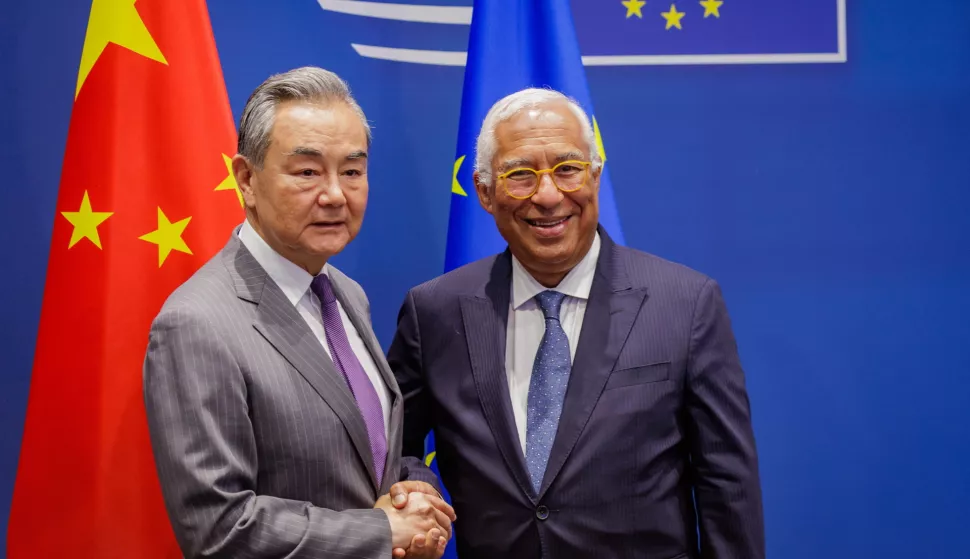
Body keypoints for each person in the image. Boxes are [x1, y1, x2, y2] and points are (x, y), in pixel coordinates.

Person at [388, 87, 765, 558]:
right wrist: (418, 484)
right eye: (520, 175)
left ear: (595, 176)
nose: (548, 195)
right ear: (484, 192)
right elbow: (388, 446)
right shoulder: (434, 311)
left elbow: (727, 484)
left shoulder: (686, 304)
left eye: (567, 169)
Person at [143, 66, 454, 559]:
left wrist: (412, 490)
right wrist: (380, 532)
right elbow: (218, 529)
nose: (335, 194)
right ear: (246, 179)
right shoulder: (197, 323)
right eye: (307, 172)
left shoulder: (345, 292)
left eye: (352, 171)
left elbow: (367, 453)